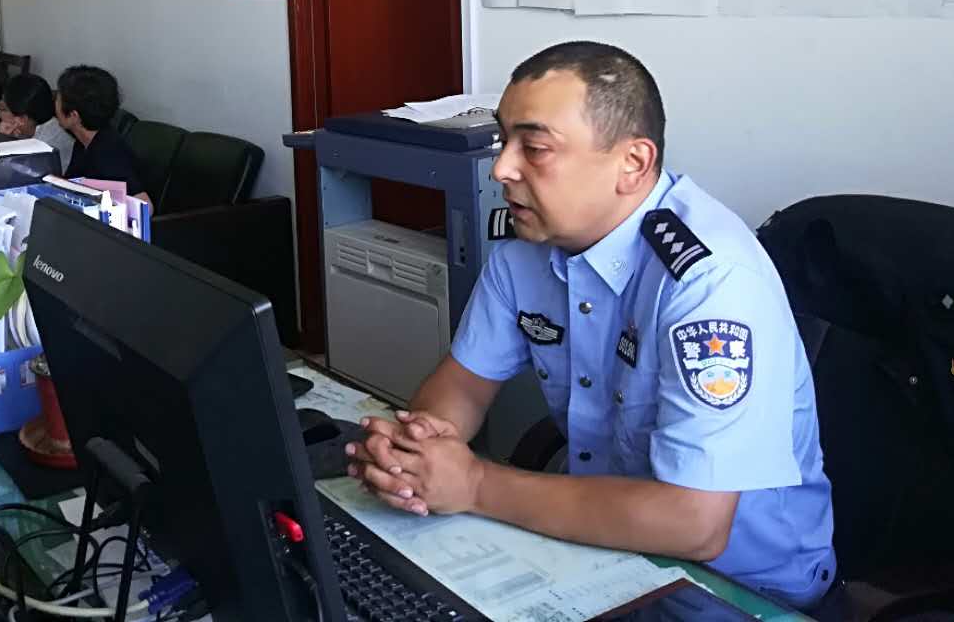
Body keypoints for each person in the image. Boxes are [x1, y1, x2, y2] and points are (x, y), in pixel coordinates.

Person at [346, 42, 836, 610]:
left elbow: (696, 524)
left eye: (534, 148)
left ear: (633, 163)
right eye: (504, 141)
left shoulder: (710, 282)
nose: (502, 169)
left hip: (739, 586)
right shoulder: (528, 247)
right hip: (604, 544)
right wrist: (415, 455)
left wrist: (474, 483)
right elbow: (464, 384)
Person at [55, 65, 145, 199]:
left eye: (58, 100)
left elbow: (144, 203)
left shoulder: (109, 152)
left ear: (74, 116)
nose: (55, 105)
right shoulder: (83, 141)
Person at [0, 72, 75, 170]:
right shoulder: (44, 126)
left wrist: (1, 143)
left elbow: (2, 173)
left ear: (21, 119)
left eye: (3, 109)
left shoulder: (44, 147)